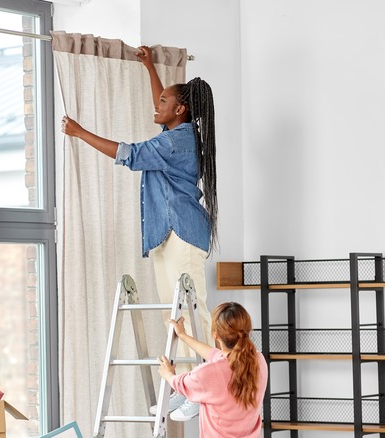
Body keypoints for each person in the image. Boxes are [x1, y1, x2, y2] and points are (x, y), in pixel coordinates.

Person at [61, 45, 217, 420]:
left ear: (180, 110)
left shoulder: (176, 141)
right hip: (168, 234)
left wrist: (80, 133)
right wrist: (150, 67)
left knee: (195, 313)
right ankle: (186, 386)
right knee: (176, 317)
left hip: (184, 233)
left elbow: (128, 154)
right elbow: (164, 108)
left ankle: (210, 383)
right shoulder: (175, 130)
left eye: (163, 101)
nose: (156, 105)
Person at [157, 302, 268, 436]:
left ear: (215, 334)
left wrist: (168, 374)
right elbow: (216, 354)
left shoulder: (207, 372)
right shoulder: (259, 361)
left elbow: (180, 384)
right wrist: (184, 336)